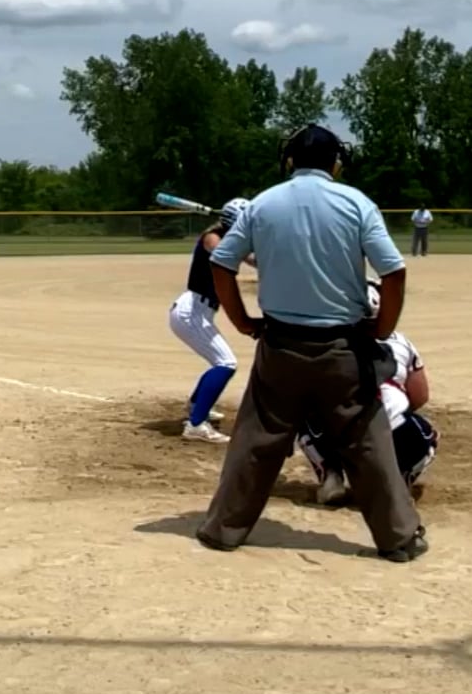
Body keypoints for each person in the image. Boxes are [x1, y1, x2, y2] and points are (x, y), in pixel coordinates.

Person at [197, 123, 427, 563]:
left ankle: (223, 530)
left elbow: (221, 262)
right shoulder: (356, 203)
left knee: (255, 439)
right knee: (367, 441)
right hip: (344, 347)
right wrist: (382, 328)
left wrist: (243, 322)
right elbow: (394, 271)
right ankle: (398, 538)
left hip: (280, 344)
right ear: (335, 162)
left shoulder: (263, 203)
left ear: (289, 161)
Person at [298, 279, 438, 506]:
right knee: (426, 434)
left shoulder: (326, 342)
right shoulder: (402, 342)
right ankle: (399, 481)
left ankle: (331, 476)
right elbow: (420, 396)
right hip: (392, 429)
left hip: (338, 429)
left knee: (307, 414)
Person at [167, 197, 252, 444]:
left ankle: (196, 406)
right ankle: (195, 425)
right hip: (191, 312)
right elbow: (225, 255)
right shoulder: (212, 238)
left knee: (220, 362)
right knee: (226, 363)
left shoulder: (227, 238)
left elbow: (252, 259)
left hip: (200, 312)